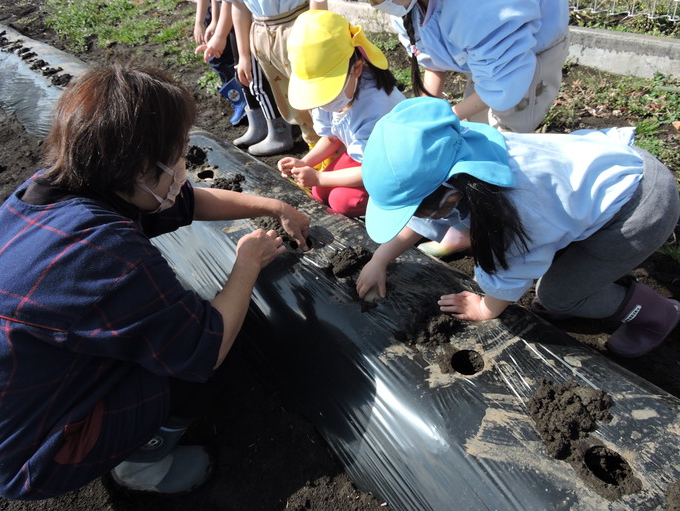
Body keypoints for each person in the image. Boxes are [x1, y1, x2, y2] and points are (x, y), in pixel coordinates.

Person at [0, 64, 310, 500]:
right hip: (29, 455)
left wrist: (273, 205)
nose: (184, 167)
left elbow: (183, 201)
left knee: (163, 323)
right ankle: (142, 466)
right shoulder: (106, 254)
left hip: (19, 402)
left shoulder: (55, 190)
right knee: (188, 363)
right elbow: (206, 346)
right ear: (142, 168)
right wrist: (247, 263)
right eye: (178, 155)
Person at [355, 97, 680, 359]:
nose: (422, 216)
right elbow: (422, 218)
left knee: (555, 295)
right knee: (564, 269)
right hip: (604, 175)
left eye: (421, 207)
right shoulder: (461, 153)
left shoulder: (513, 209)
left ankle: (657, 315)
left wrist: (485, 307)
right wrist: (380, 259)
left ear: (450, 191)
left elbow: (512, 266)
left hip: (639, 209)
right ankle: (588, 280)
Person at [369, 0, 570, 258]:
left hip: (525, 60)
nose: (378, 3)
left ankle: (504, 231)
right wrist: (424, 113)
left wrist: (443, 120)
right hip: (487, 58)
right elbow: (433, 57)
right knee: (472, 137)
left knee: (500, 150)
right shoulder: (409, 7)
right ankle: (467, 226)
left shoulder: (480, 8)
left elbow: (504, 87)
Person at [277, 9, 405, 217]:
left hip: (393, 165)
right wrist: (305, 163)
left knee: (343, 202)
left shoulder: (377, 106)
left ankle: (394, 210)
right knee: (320, 191)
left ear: (357, 69)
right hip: (363, 155)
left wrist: (319, 177)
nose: (323, 103)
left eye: (328, 92)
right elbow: (333, 137)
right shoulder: (332, 93)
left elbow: (372, 170)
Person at [198, 0, 294, 154]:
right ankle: (260, 124)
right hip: (245, 27)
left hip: (263, 25)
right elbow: (232, 3)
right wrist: (219, 34)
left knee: (257, 82)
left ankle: (280, 131)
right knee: (245, 77)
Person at [231, 0, 320, 155]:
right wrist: (244, 55)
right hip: (261, 32)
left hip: (298, 25)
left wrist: (317, 27)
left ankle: (335, 153)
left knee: (317, 98)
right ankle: (315, 148)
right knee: (291, 102)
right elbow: (239, 5)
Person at [194, 0, 247, 125]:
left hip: (226, 11)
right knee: (218, 58)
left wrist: (215, 21)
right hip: (216, 11)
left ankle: (243, 99)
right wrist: (199, 21)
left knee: (221, 58)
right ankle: (240, 98)